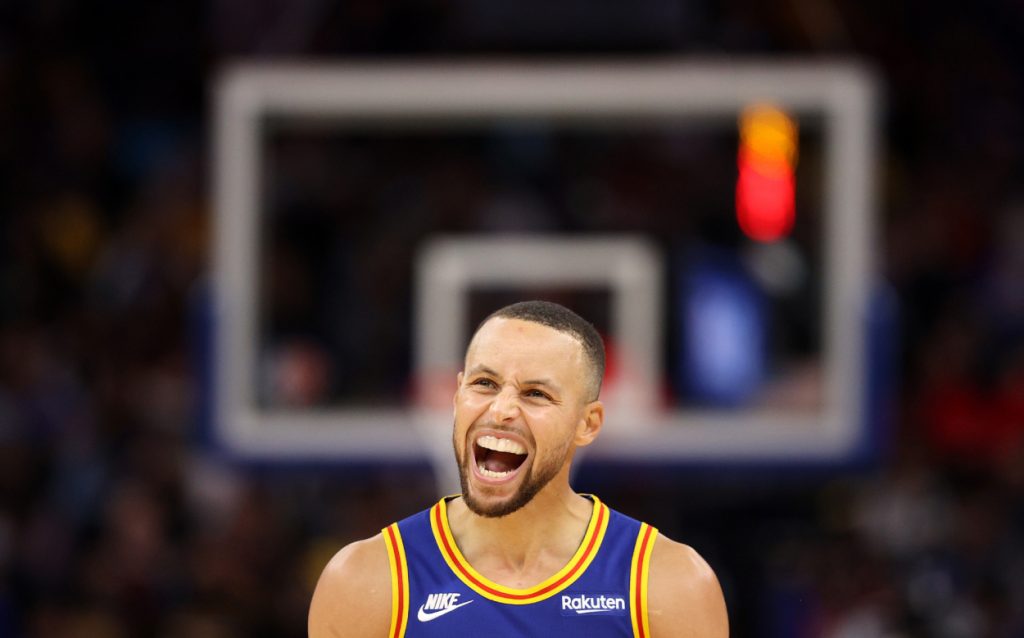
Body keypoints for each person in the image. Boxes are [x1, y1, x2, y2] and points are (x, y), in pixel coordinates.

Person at [309, 300, 728, 637]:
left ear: (588, 424)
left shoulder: (668, 585)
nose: (502, 409)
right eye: (485, 384)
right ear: (456, 398)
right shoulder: (366, 581)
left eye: (535, 393)